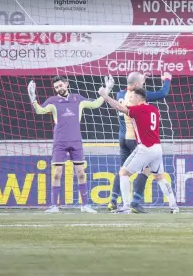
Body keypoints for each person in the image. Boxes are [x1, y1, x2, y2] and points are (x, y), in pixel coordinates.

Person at [28, 75, 114, 213]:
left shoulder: (77, 99)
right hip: (59, 142)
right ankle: (54, 206)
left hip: (76, 141)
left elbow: (96, 104)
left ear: (66, 84)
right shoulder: (53, 101)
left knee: (80, 173)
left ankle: (85, 205)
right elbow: (39, 111)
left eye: (61, 85)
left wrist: (108, 89)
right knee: (57, 173)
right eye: (56, 87)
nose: (59, 89)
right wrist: (33, 98)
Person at [99, 86, 179, 214]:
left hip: (145, 148)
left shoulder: (138, 110)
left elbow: (119, 107)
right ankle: (174, 206)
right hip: (157, 148)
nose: (129, 100)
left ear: (138, 98)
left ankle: (125, 206)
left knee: (123, 173)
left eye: (131, 97)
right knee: (159, 177)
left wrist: (105, 95)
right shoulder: (154, 109)